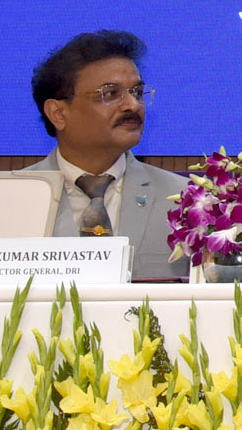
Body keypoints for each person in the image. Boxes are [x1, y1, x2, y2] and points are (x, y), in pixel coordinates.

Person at [17, 31, 188, 280]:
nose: (133, 105)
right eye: (111, 94)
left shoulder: (184, 200)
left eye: (137, 92)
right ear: (58, 114)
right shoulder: (13, 198)